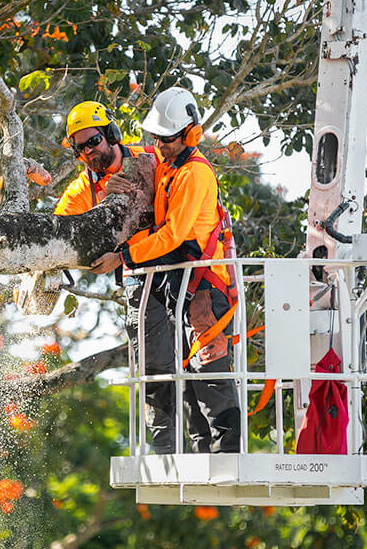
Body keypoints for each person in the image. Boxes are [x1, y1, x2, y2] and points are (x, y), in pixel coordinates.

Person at [91, 87, 240, 454]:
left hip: (208, 288)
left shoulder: (193, 174)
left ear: (190, 134)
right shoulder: (167, 166)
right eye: (155, 137)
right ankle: (202, 451)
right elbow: (123, 162)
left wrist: (124, 256)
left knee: (210, 373)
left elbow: (172, 234)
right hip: (186, 288)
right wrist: (107, 184)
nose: (159, 145)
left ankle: (226, 454)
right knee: (188, 378)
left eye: (167, 139)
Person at [54, 101, 157, 216]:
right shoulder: (76, 195)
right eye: (81, 147)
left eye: (93, 141)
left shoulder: (154, 156)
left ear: (111, 135)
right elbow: (59, 231)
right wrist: (106, 200)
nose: (87, 151)